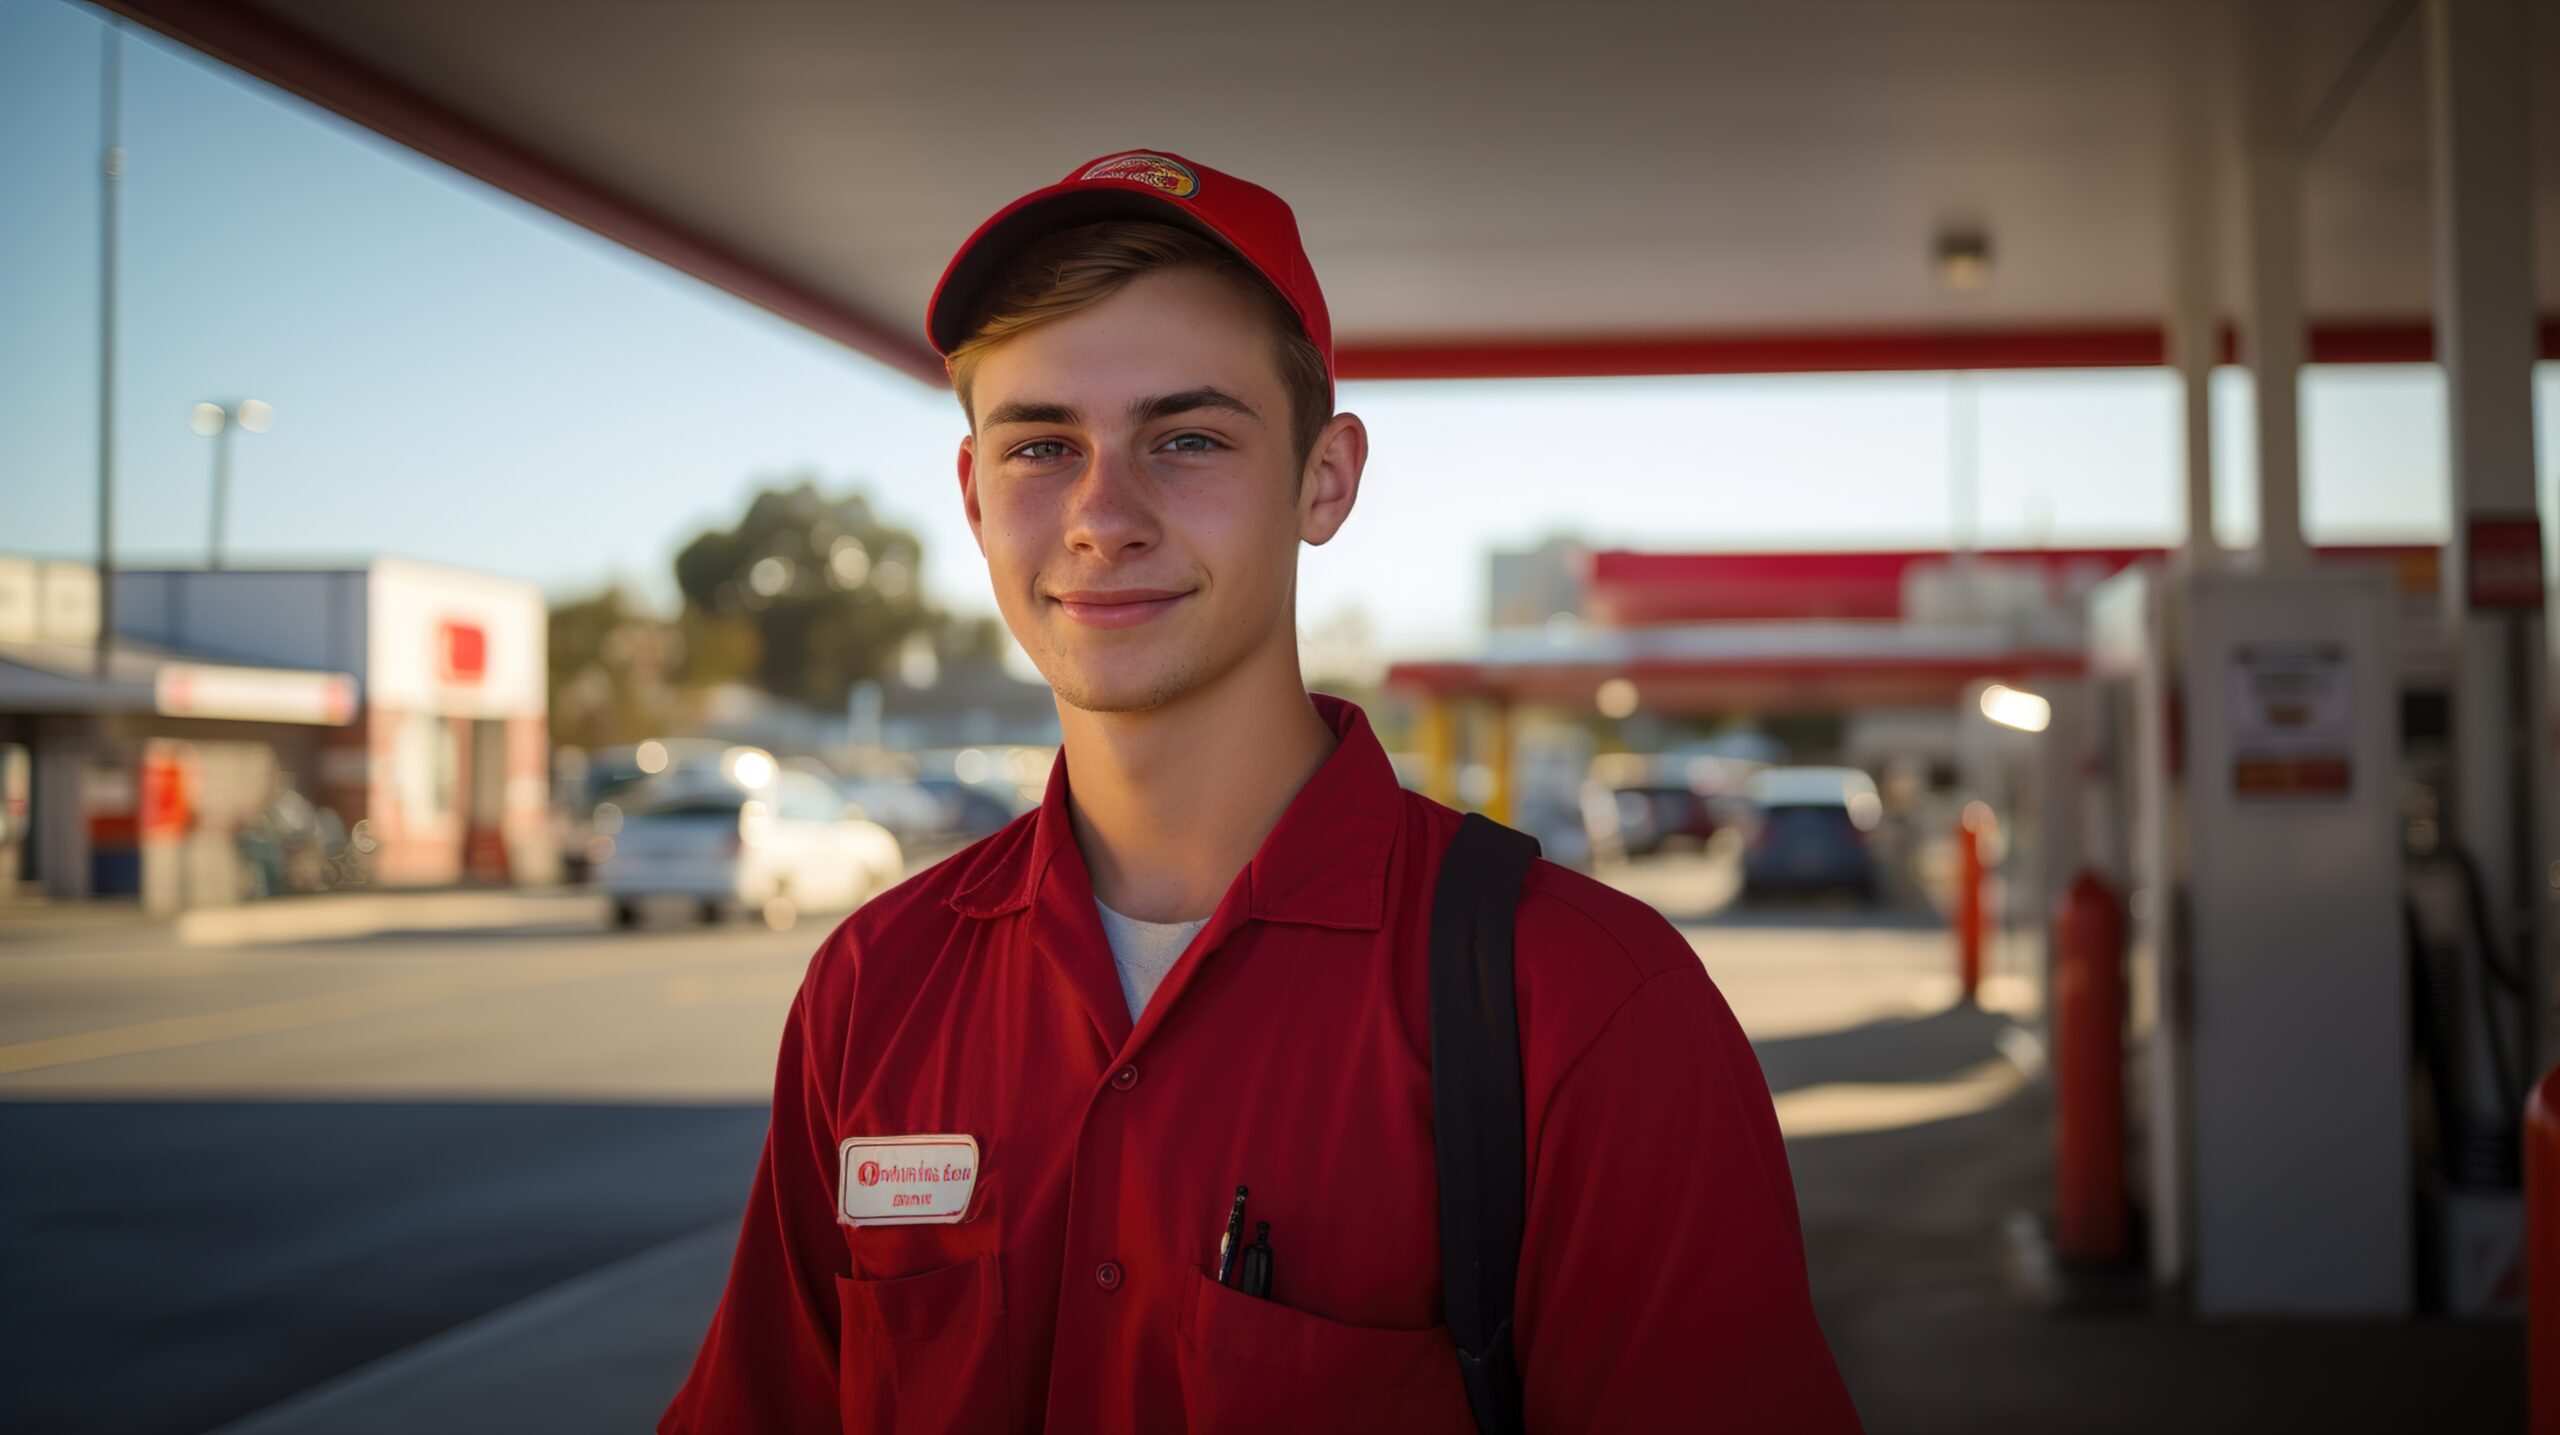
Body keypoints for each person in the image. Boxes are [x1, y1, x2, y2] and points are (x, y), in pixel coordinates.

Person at [661, 149, 1860, 1435]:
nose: (1100, 515)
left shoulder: (1584, 1004)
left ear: (1324, 479)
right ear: (970, 492)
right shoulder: (871, 989)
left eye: (1185, 439)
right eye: (1041, 446)